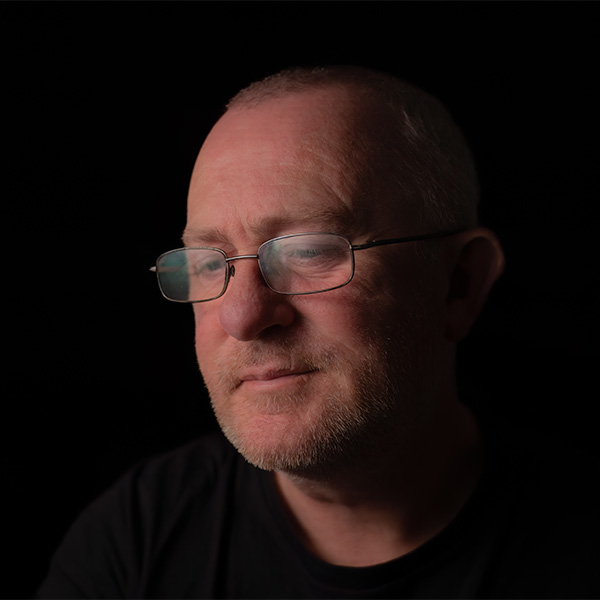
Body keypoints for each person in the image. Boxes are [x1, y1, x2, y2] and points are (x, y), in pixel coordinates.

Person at [36, 66, 599, 599]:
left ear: (459, 284)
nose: (241, 317)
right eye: (208, 263)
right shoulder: (133, 542)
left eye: (307, 251)